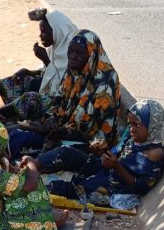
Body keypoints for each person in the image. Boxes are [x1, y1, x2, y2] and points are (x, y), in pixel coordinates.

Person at [10, 29, 121, 158]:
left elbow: (87, 131)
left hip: (91, 144)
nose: (73, 56)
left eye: (80, 52)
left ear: (91, 54)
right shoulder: (76, 72)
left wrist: (43, 129)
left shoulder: (105, 84)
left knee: (27, 140)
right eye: (71, 50)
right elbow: (58, 99)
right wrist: (51, 117)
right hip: (63, 129)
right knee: (25, 116)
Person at [46, 100, 164, 203]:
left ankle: (45, 190)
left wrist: (117, 166)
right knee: (69, 155)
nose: (132, 129)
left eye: (137, 125)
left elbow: (139, 187)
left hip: (116, 187)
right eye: (130, 124)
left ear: (152, 126)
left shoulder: (154, 153)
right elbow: (115, 152)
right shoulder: (132, 137)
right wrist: (103, 152)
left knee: (75, 189)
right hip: (108, 171)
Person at [0, 9, 78, 121]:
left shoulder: (74, 53)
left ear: (57, 31)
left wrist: (46, 60)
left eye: (44, 32)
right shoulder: (56, 47)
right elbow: (46, 73)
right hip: (48, 92)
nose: (40, 36)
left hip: (61, 103)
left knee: (30, 98)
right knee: (18, 79)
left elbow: (62, 86)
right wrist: (27, 71)